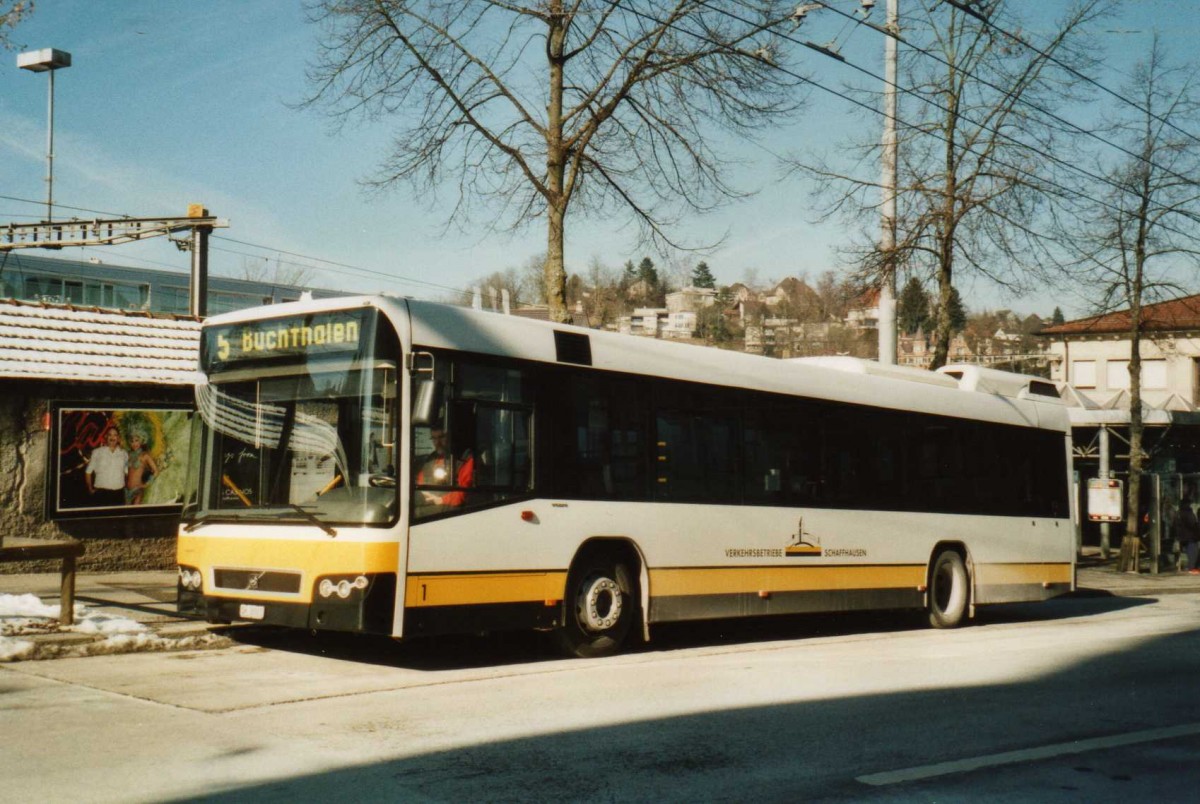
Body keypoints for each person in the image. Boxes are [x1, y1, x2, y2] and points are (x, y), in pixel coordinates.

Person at [416, 427, 474, 507]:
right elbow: (420, 484)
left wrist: (441, 500)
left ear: (451, 437)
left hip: (453, 511)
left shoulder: (465, 459)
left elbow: (465, 492)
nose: (437, 443)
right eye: (434, 438)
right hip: (430, 504)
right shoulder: (430, 459)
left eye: (441, 437)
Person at [85, 426, 128, 507]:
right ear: (106, 437)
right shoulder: (97, 452)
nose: (112, 437)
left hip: (118, 495)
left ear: (118, 438)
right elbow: (88, 472)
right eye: (110, 435)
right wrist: (90, 488)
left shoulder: (124, 454)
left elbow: (126, 472)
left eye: (115, 435)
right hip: (101, 494)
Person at [125, 428, 159, 505]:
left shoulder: (145, 455)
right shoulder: (127, 454)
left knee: (135, 512)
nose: (134, 444)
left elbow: (156, 471)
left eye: (137, 440)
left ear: (141, 441)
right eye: (132, 441)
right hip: (126, 491)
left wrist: (146, 484)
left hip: (138, 490)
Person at [1177, 493, 1200, 574]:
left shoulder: (1180, 512)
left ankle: (1192, 567)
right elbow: (1192, 523)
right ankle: (1192, 567)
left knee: (1191, 551)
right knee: (1193, 551)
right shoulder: (1187, 512)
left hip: (1184, 536)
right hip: (1190, 535)